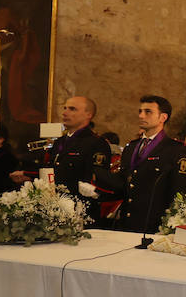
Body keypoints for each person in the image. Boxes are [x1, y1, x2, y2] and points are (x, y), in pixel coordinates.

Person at [83, 95, 186, 235]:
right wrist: (96, 193)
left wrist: (171, 227)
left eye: (148, 112)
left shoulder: (175, 150)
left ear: (163, 117)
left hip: (155, 226)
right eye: (140, 111)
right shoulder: (132, 148)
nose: (141, 115)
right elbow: (124, 184)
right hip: (127, 223)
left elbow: (177, 192)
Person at [11, 95, 112, 225]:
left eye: (72, 109)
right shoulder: (60, 142)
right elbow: (53, 170)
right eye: (64, 108)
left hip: (80, 212)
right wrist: (28, 175)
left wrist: (29, 175)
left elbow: (93, 181)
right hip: (55, 210)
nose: (65, 113)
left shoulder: (96, 143)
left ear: (88, 114)